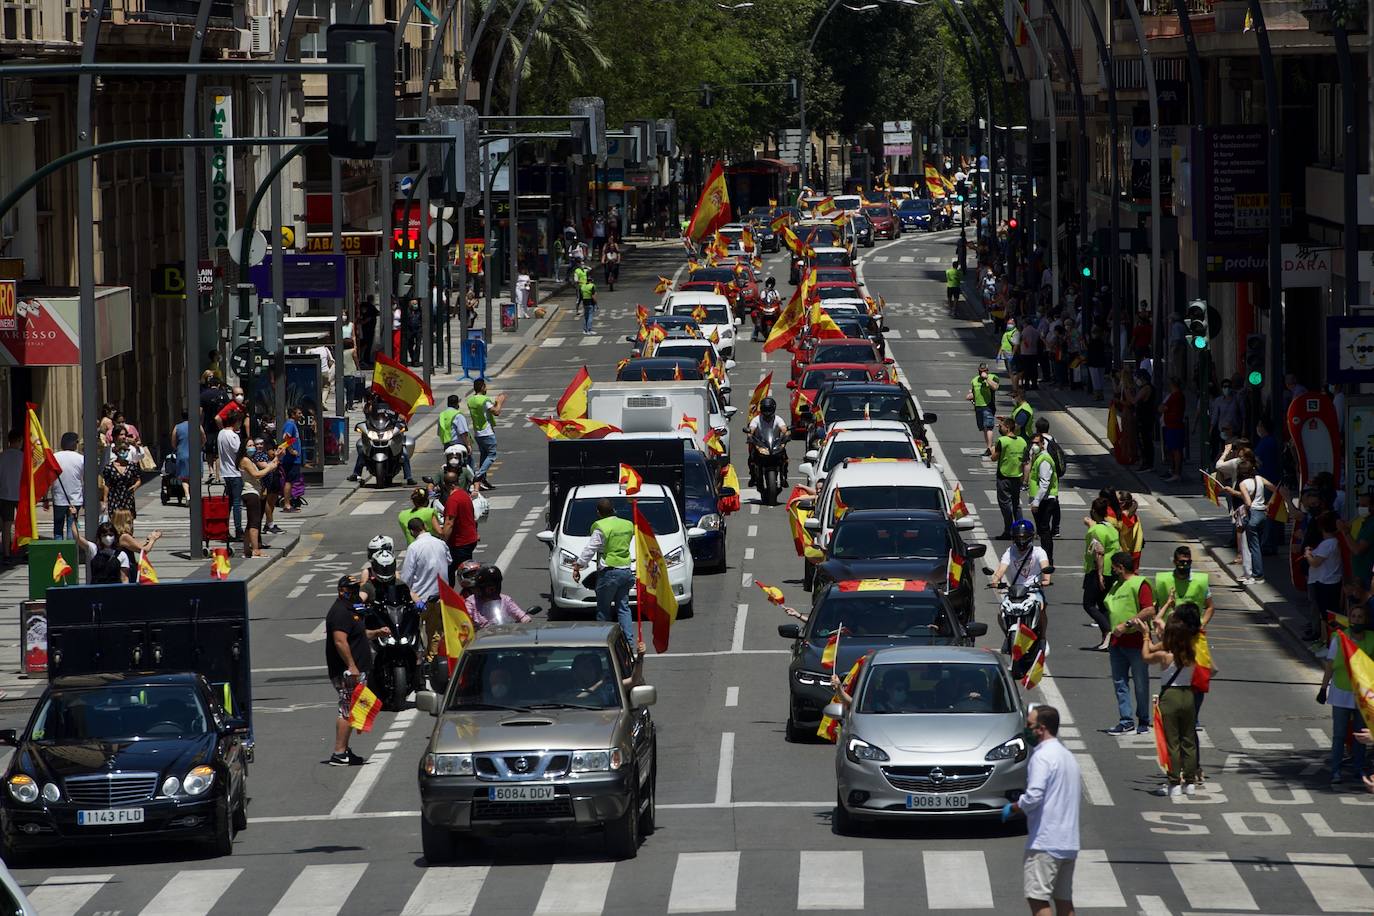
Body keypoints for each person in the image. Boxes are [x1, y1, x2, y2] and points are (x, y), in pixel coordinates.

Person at [1003, 704, 1081, 916]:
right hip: (1068, 842)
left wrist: (1016, 807)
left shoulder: (1042, 757)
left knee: (1038, 899)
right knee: (1064, 900)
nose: (1026, 728)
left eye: (1029, 724)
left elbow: (1034, 795)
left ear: (1041, 728)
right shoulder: (1068, 757)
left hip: (1046, 842)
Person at [325, 576, 389, 766]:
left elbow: (359, 634)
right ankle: (338, 752)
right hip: (347, 672)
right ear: (341, 590)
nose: (354, 592)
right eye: (350, 589)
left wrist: (377, 632)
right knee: (346, 710)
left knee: (354, 708)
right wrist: (351, 666)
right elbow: (340, 641)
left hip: (358, 669)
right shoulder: (340, 612)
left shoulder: (352, 610)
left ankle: (344, 748)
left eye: (355, 589)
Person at [1142, 613, 1201, 796]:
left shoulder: (1165, 655)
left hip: (1170, 695)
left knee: (1172, 742)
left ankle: (1174, 782)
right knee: (1189, 740)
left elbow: (1145, 656)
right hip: (1188, 695)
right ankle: (1190, 782)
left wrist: (1145, 635)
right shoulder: (1192, 652)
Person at [1317, 600, 1373, 789]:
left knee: (1361, 735)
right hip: (1341, 692)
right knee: (1339, 735)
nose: (1357, 620)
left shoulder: (1372, 639)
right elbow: (1330, 665)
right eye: (1354, 617)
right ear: (1349, 620)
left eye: (1360, 617)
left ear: (1366, 620)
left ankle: (1358, 768)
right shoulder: (1339, 638)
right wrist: (1323, 688)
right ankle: (1336, 770)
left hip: (1363, 695)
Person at [1102, 552, 1155, 736]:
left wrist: (1127, 625)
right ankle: (1126, 720)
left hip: (1136, 642)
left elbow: (1149, 609)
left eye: (1114, 567)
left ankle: (1144, 720)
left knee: (1140, 683)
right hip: (1117, 643)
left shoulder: (1139, 583)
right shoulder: (1116, 585)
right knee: (1120, 683)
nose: (1112, 571)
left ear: (1121, 567)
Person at [572, 498, 636, 649]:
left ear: (598, 513)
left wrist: (579, 565)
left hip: (609, 572)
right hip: (626, 571)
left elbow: (590, 549)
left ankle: (604, 644)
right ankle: (629, 644)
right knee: (624, 608)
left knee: (603, 611)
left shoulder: (601, 527)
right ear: (613, 509)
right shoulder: (627, 525)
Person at [1225, 460, 1274, 585]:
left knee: (1253, 547)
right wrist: (1269, 503)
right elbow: (1274, 488)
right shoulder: (1259, 478)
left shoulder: (1243, 484)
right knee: (1257, 546)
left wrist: (1234, 493)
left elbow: (1247, 502)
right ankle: (1256, 573)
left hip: (1253, 515)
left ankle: (1257, 575)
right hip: (1263, 514)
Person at [1082, 498, 1120, 650]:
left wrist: (1099, 575)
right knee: (1102, 605)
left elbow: (1099, 553)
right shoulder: (1110, 526)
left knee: (1088, 604)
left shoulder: (1096, 530)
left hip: (1099, 570)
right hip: (1112, 569)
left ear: (1093, 511)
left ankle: (1108, 631)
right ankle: (1106, 639)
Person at [1306, 511, 1344, 646]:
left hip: (1326, 582)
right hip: (1328, 581)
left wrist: (1308, 555)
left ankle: (1329, 643)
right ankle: (1325, 641)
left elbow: (1315, 562)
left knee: (1327, 615)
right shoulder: (1332, 542)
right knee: (1326, 615)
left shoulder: (1328, 544)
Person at [237, 435, 279, 559]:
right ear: (243, 448)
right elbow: (256, 474)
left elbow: (271, 465)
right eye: (249, 445)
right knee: (255, 523)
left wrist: (277, 456)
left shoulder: (251, 459)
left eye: (253, 445)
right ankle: (255, 550)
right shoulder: (245, 460)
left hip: (254, 492)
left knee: (251, 523)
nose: (253, 448)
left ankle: (247, 550)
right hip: (251, 493)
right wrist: (270, 468)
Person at [399, 516, 451, 606]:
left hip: (422, 597)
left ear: (411, 531)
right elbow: (449, 561)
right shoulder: (441, 543)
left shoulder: (413, 547)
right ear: (425, 527)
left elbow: (406, 576)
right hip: (443, 594)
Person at [1028, 430, 1060, 572]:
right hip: (1042, 500)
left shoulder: (1044, 459)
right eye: (1032, 443)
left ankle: (1048, 561)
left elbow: (1045, 483)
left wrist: (1036, 502)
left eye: (1037, 443)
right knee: (1042, 531)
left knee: (1045, 531)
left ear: (1042, 444)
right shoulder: (1038, 457)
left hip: (1045, 501)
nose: (1034, 445)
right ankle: (1045, 560)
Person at [992, 416, 1028, 539]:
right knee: (1016, 504)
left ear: (1007, 427)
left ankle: (1009, 530)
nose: (999, 428)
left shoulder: (1002, 441)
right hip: (1017, 477)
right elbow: (1025, 461)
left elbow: (994, 457)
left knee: (1005, 504)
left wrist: (992, 449)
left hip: (1004, 477)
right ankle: (1021, 529)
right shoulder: (1022, 441)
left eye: (1001, 426)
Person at [440, 469, 479, 581]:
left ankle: (450, 595)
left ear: (448, 485)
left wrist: (443, 541)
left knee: (449, 571)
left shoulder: (453, 500)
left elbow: (449, 523)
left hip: (460, 542)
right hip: (470, 539)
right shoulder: (464, 494)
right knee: (466, 570)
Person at [989, 519, 1052, 589]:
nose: (1021, 540)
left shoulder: (1039, 552)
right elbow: (1001, 570)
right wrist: (995, 580)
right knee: (1006, 600)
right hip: (1014, 591)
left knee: (1039, 600)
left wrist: (1045, 581)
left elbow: (1045, 569)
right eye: (1018, 537)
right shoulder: (1010, 551)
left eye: (1024, 537)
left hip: (1034, 591)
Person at [464, 565, 534, 628]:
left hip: (503, 635)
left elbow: (520, 614)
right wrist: (470, 625)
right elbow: (465, 620)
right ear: (481, 587)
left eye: (494, 586)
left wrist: (525, 620)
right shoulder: (471, 602)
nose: (492, 589)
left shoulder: (505, 600)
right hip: (480, 638)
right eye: (488, 586)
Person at [468, 379, 505, 489]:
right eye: (485, 386)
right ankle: (479, 475)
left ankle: (483, 480)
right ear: (482, 387)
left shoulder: (471, 400)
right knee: (492, 455)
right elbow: (496, 412)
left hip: (478, 432)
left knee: (484, 455)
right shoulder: (484, 400)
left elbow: (485, 410)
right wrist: (499, 402)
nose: (486, 388)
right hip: (487, 432)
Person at [745, 397, 789, 489]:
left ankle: (784, 476)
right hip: (761, 444)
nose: (767, 412)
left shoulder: (778, 419)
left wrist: (786, 435)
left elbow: (784, 429)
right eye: (765, 409)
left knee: (785, 458)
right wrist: (750, 435)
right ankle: (753, 477)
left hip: (775, 444)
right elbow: (751, 429)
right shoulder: (756, 419)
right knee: (752, 459)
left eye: (769, 409)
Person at [48, 432, 84, 540]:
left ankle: (59, 552)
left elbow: (48, 478)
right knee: (71, 528)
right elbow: (85, 479)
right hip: (75, 498)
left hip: (59, 498)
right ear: (74, 443)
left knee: (58, 529)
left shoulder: (54, 457)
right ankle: (70, 552)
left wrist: (45, 497)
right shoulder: (81, 458)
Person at [217, 413, 245, 541]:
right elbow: (238, 451)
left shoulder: (221, 433)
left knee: (228, 503)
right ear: (236, 422)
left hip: (225, 472)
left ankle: (224, 529)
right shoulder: (233, 436)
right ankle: (239, 530)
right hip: (235, 472)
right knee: (236, 503)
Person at [966, 362, 1000, 456]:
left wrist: (986, 378)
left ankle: (989, 448)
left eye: (985, 371)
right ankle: (988, 446)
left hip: (988, 406)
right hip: (978, 406)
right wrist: (971, 396)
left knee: (988, 427)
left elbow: (995, 387)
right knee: (983, 428)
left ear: (988, 371)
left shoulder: (992, 377)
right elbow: (974, 392)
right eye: (981, 371)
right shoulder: (974, 380)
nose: (983, 373)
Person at [0, 428, 23, 559]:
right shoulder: (23, 457)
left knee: (6, 525)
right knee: (24, 523)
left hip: (4, 494)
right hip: (21, 495)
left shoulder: (2, 457)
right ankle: (24, 549)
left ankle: (6, 553)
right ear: (19, 441)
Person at [1159, 378, 1186, 482]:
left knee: (1176, 450)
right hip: (1170, 426)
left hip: (1175, 426)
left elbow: (1162, 408)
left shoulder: (1176, 396)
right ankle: (1172, 469)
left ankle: (1177, 472)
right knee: (1171, 449)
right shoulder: (1173, 396)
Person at [279, 406, 304, 512]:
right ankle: (287, 504)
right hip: (291, 460)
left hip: (294, 460)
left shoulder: (293, 424)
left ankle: (290, 502)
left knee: (292, 481)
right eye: (299, 413)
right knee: (289, 481)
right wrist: (291, 450)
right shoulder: (290, 424)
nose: (301, 415)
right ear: (293, 415)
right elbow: (286, 437)